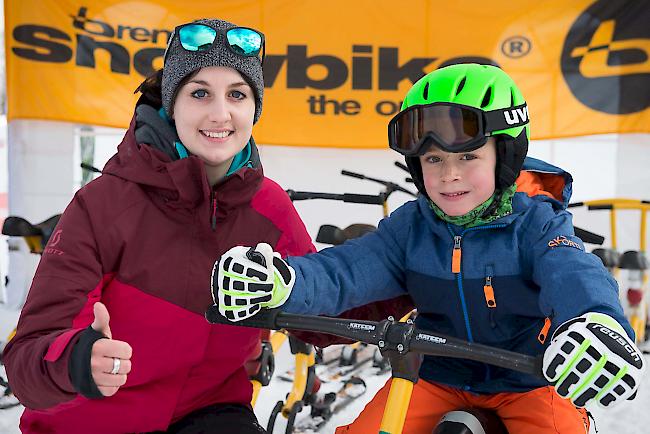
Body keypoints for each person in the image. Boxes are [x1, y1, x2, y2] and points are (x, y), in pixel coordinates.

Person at [214, 64, 645, 433]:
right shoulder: (411, 228)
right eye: (433, 160)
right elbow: (345, 270)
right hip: (435, 376)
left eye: (468, 158)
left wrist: (594, 319)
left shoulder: (536, 225)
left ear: (506, 156)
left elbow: (574, 273)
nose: (448, 176)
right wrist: (284, 281)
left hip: (529, 383)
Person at [3, 18, 317, 434]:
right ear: (172, 103)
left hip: (209, 409)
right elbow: (26, 358)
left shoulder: (268, 206)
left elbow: (324, 307)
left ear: (253, 109)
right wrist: (76, 359)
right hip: (93, 418)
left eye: (237, 94)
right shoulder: (104, 205)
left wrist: (395, 268)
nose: (220, 113)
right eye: (200, 93)